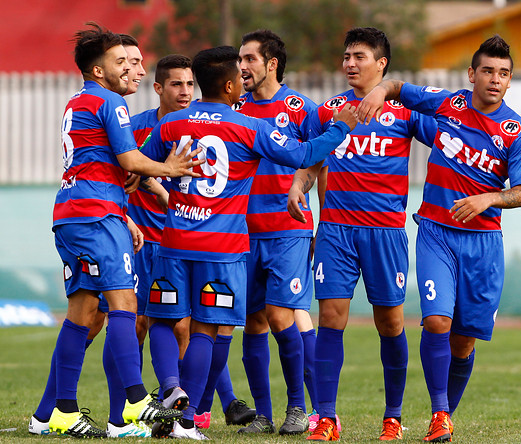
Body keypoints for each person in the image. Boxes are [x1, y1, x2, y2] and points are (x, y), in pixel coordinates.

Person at [142, 45, 357, 440]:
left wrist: (162, 177)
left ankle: (172, 389)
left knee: (162, 319)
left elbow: (140, 165)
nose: (243, 78)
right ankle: (188, 418)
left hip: (172, 242)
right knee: (206, 329)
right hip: (222, 250)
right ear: (228, 85)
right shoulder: (247, 127)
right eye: (237, 75)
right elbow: (305, 153)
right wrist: (341, 127)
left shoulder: (171, 124)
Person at [357, 35, 521, 442]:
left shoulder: (518, 131)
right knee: (436, 320)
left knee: (464, 343)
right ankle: (439, 413)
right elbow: (399, 88)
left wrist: (489, 197)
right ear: (472, 74)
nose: (495, 79)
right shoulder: (449, 103)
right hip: (436, 232)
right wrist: (380, 90)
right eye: (487, 70)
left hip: (483, 244)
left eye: (503, 73)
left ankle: (444, 417)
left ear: (510, 81)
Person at [37, 23, 203, 438]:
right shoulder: (111, 101)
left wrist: (125, 215)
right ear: (99, 70)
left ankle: (58, 411)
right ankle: (134, 401)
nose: (136, 70)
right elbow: (129, 160)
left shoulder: (79, 100)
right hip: (94, 218)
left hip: (75, 213)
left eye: (137, 62)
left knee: (82, 313)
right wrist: (169, 170)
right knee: (125, 304)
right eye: (123, 62)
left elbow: (99, 164)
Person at [287, 27, 437, 441]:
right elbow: (310, 157)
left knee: (389, 323)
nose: (350, 63)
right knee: (331, 318)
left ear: (381, 63)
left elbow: (448, 133)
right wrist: (299, 185)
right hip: (335, 231)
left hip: (385, 233)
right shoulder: (329, 110)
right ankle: (327, 419)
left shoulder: (405, 113)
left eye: (360, 56)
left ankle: (393, 417)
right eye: (347, 56)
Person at [232, 29, 318, 436]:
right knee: (253, 322)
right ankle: (264, 415)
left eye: (249, 59)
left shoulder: (301, 108)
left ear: (271, 64)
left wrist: (301, 184)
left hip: (288, 230)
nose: (242, 66)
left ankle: (298, 410)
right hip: (242, 232)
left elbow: (317, 158)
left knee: (282, 316)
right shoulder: (234, 109)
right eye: (240, 59)